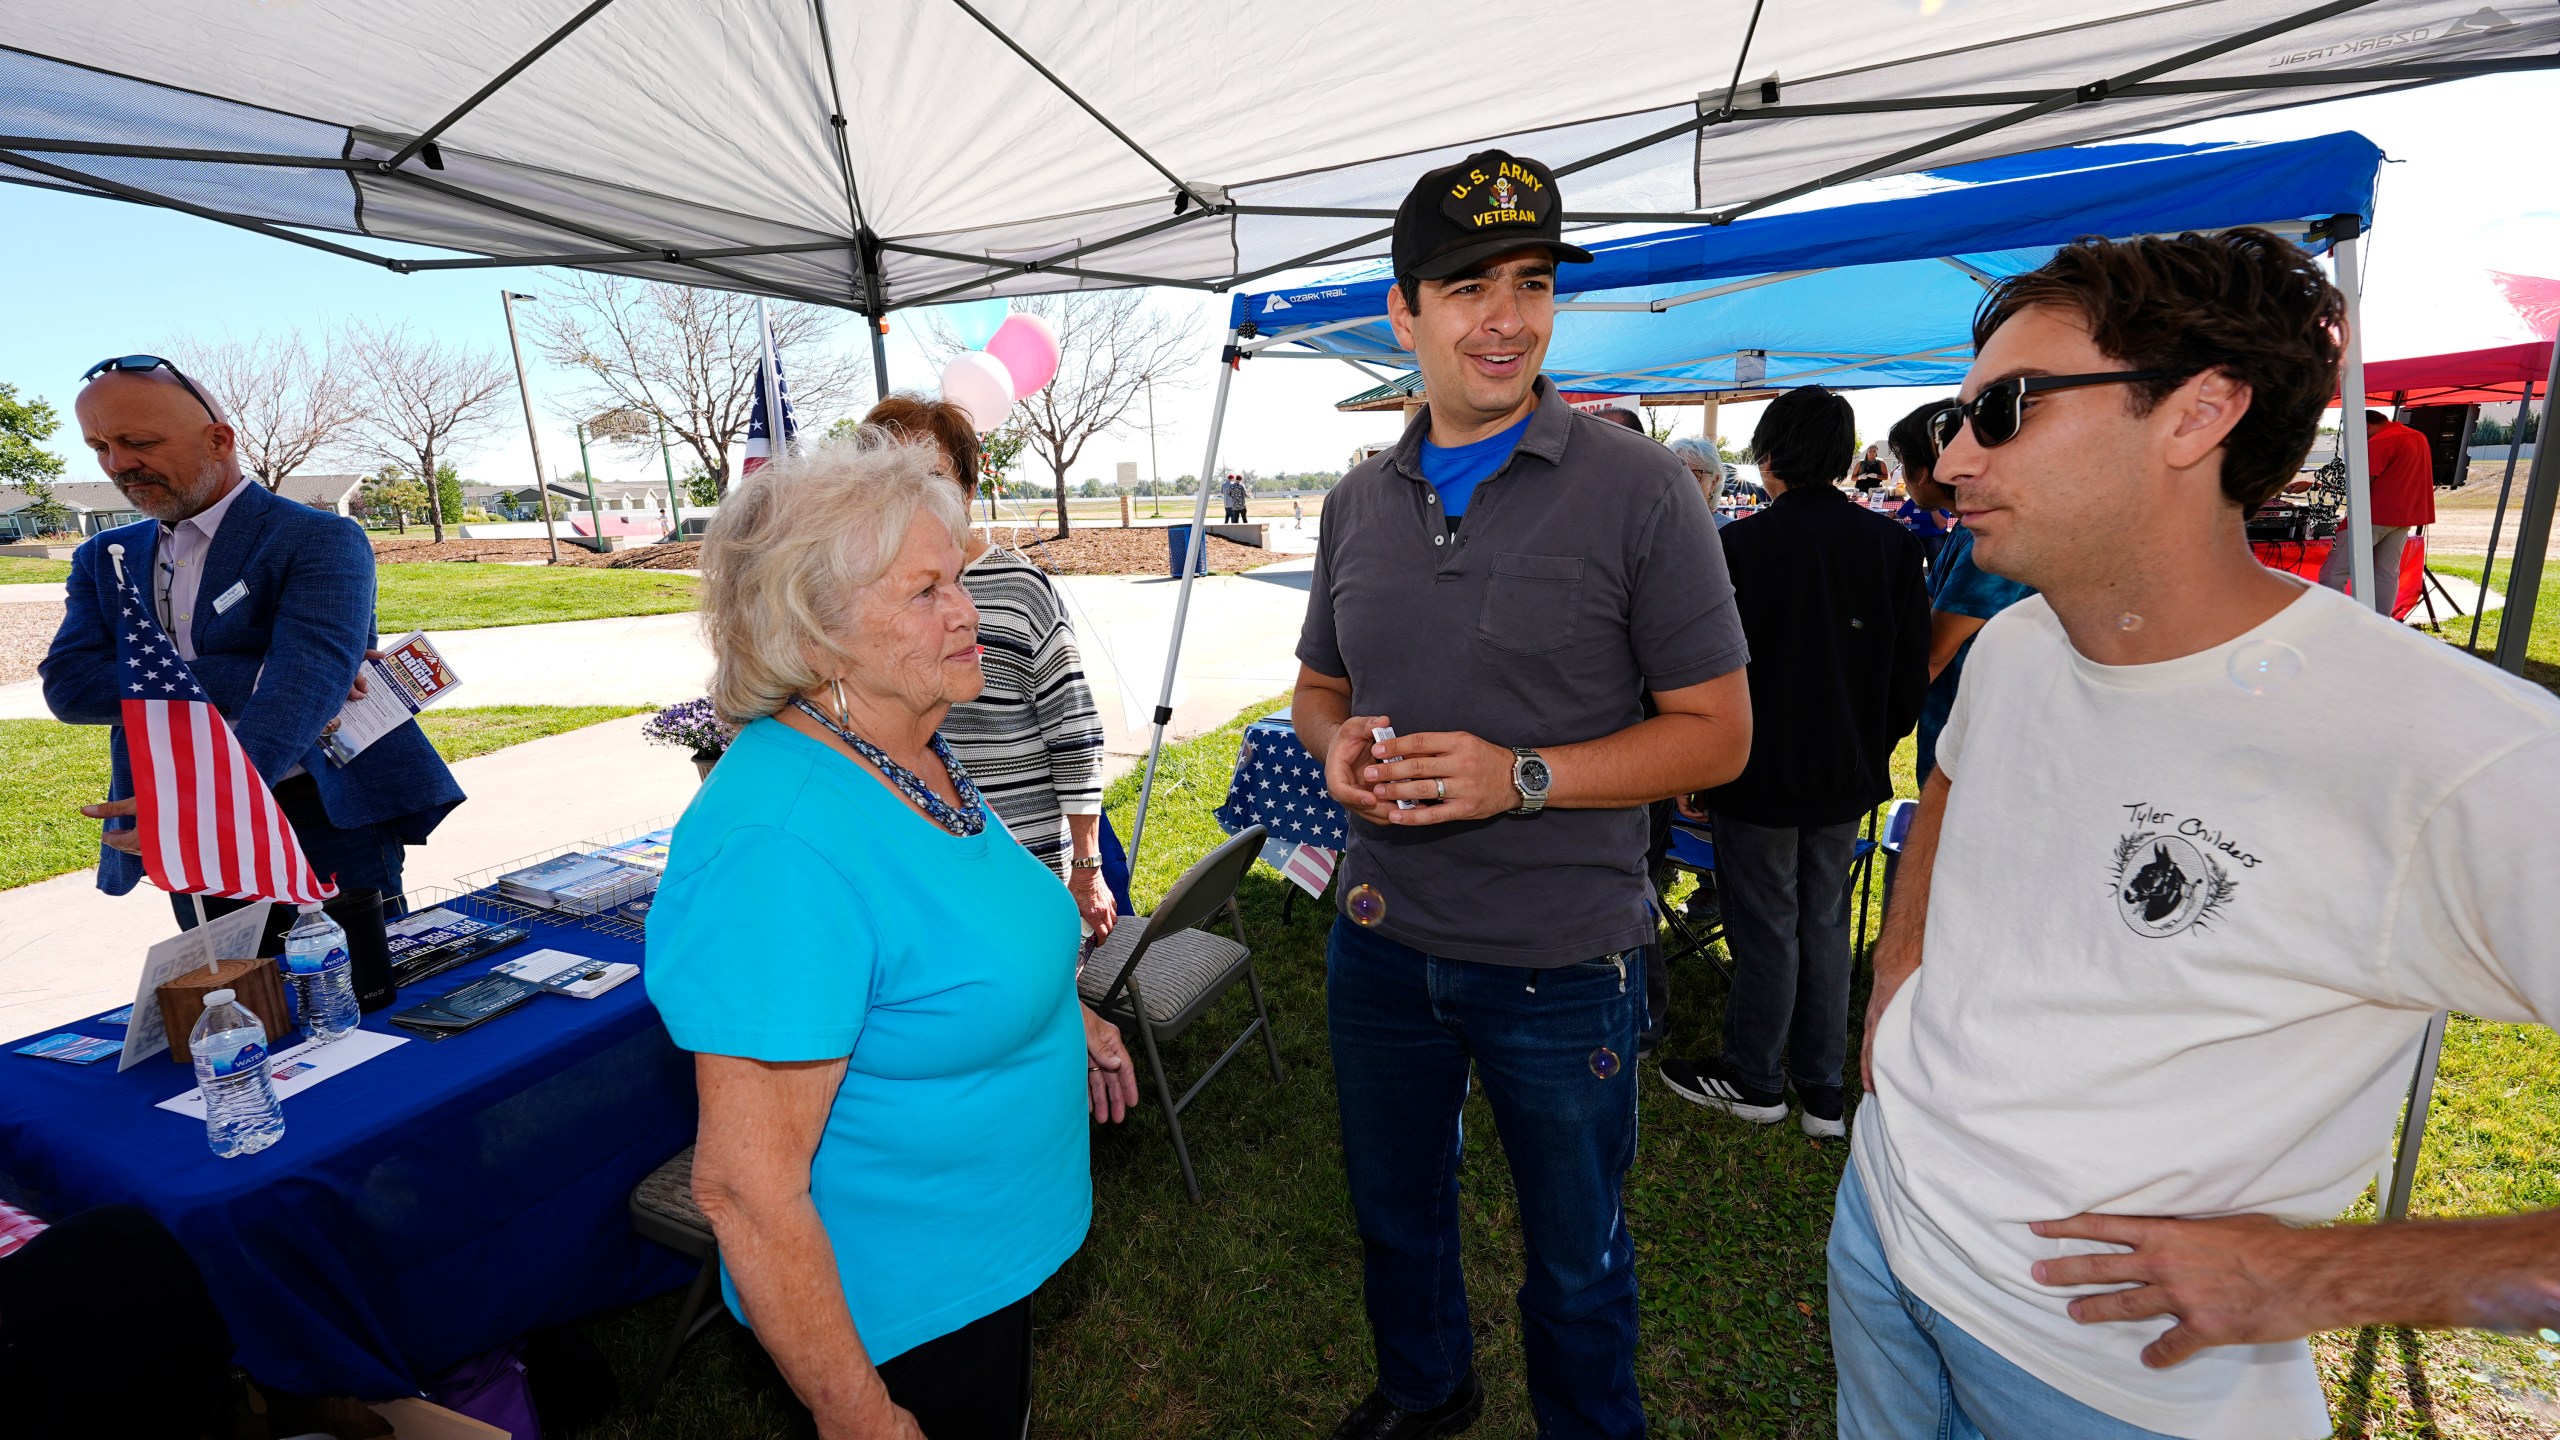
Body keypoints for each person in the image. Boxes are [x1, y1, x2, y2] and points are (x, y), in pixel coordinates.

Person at [1843, 229, 2560, 1440]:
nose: (1954, 455)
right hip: (1884, 1240)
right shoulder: (2017, 644)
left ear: (2197, 415)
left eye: (2004, 409)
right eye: (1954, 413)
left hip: (2119, 1385)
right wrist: (1893, 997)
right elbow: (1954, 789)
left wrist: (2320, 1277)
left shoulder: (2457, 752)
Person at [1294, 148, 1753, 1440]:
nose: (1506, 318)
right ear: (1403, 310)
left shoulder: (1641, 489)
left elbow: (1719, 733)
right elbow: (1318, 687)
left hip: (1563, 963)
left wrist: (1525, 778)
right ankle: (1428, 1390)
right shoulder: (1352, 505)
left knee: (1577, 1260)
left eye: (1533, 283)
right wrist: (1330, 745)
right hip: (1379, 944)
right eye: (1468, 288)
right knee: (1396, 1216)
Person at [644, 432, 1141, 1440]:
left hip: (978, 1263)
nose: (969, 613)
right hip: (900, 1317)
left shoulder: (905, 747)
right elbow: (743, 1187)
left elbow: (954, 937)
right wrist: (860, 1415)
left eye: (957, 578)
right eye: (925, 592)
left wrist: (1061, 1005)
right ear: (815, 634)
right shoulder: (779, 843)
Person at [41, 357, 463, 1001]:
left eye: (140, 442)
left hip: (315, 812)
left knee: (360, 1004)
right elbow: (70, 689)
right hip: (183, 819)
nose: (118, 464)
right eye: (101, 446)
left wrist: (213, 797)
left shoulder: (318, 539)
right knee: (237, 999)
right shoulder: (105, 557)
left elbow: (306, 685)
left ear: (220, 439)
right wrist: (257, 670)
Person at [1658, 387, 1927, 1140]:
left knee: (1769, 922)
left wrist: (1702, 764)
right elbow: (1908, 674)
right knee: (1824, 919)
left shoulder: (1740, 547)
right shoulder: (1893, 545)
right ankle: (1823, 1088)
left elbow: (1706, 672)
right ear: (1842, 458)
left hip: (1758, 771)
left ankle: (1754, 1076)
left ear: (1769, 456)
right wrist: (1872, 745)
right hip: (1846, 769)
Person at [863, 394, 1114, 937]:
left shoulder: (1019, 587)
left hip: (1021, 863)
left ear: (970, 491)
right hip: (913, 872)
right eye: (889, 479)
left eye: (931, 479)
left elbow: (1074, 729)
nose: (912, 498)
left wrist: (1087, 866)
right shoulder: (861, 597)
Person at [1886, 400, 2035, 785]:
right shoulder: (1967, 529)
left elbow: (1936, 648)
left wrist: (1880, 721)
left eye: (1905, 462)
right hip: (1953, 728)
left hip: (1978, 745)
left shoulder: (1994, 536)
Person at [2316, 408, 2433, 601]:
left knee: (2335, 572)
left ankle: (2330, 624)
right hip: (2404, 516)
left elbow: (2359, 485)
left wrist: (2319, 485)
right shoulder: (2417, 436)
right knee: (2386, 573)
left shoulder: (2381, 440)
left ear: (2366, 426)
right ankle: (2380, 623)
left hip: (2374, 516)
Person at [1667, 436, 1731, 527]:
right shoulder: (1659, 528)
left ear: (1714, 482)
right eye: (1676, 475)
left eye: (1694, 476)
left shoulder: (1730, 532)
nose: (1682, 484)